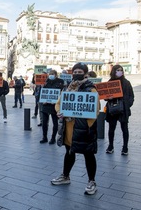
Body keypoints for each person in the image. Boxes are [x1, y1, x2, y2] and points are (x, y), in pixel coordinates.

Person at [51, 62, 99, 195]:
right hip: (69, 127)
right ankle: (65, 176)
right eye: (75, 71)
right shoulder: (67, 89)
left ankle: (92, 181)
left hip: (83, 129)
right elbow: (59, 103)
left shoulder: (91, 89)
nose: (77, 74)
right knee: (69, 152)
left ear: (85, 73)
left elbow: (96, 109)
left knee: (88, 155)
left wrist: (86, 125)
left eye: (80, 71)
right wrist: (59, 111)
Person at [105, 65, 134, 155]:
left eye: (121, 70)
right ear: (114, 71)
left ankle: (125, 147)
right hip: (112, 109)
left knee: (124, 128)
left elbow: (131, 96)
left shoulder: (126, 83)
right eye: (117, 70)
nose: (119, 72)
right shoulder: (109, 82)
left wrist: (127, 105)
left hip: (123, 109)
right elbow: (105, 96)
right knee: (111, 128)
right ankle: (110, 146)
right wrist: (108, 98)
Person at [40, 70, 64, 144]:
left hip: (54, 106)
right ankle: (44, 137)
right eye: (50, 74)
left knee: (55, 123)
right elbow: (43, 92)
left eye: (52, 74)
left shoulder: (60, 81)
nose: (51, 75)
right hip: (46, 105)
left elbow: (61, 92)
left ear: (56, 75)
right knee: (44, 122)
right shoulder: (45, 81)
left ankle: (53, 138)